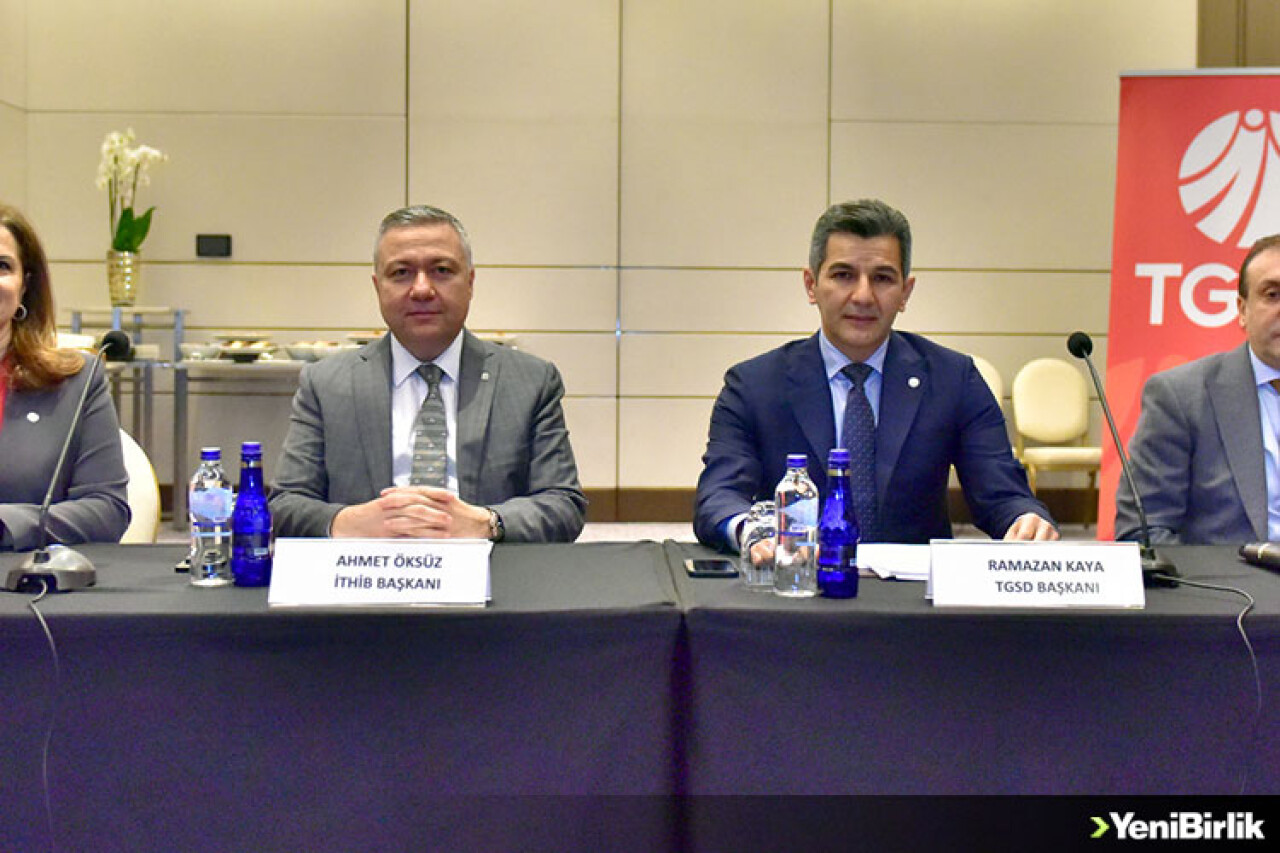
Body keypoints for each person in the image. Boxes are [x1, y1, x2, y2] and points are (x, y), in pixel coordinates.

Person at [694, 198, 1057, 552]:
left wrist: (1025, 519)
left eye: (882, 278)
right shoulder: (754, 385)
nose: (863, 296)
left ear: (905, 293)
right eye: (843, 275)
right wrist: (754, 532)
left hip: (913, 589)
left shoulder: (954, 379)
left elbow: (1002, 492)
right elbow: (719, 495)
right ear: (811, 285)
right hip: (798, 580)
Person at [270, 204, 587, 542]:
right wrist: (346, 522)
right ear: (378, 286)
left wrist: (487, 523)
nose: (422, 289)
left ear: (470, 282)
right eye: (401, 273)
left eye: (441, 270)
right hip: (364, 569)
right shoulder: (326, 384)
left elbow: (563, 505)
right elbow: (285, 505)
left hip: (491, 570)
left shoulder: (530, 382)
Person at [1116, 234, 1280, 544]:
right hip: (1231, 575)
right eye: (1272, 295)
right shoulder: (1179, 397)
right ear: (1242, 310)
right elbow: (1144, 533)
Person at [0, 204, 130, 550]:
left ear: (25, 285)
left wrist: (7, 525)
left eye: (2, 266)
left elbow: (107, 510)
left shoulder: (78, 382)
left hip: (28, 576)